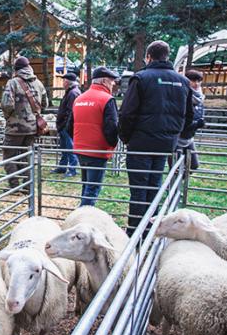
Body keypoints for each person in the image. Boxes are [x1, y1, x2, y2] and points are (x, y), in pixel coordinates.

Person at [120, 40, 194, 235]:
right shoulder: (183, 81)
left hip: (141, 143)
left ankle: (136, 233)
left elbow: (127, 113)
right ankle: (151, 228)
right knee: (154, 186)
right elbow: (189, 115)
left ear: (149, 57)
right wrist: (176, 137)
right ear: (167, 56)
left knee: (138, 190)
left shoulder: (141, 78)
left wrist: (126, 137)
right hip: (166, 144)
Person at [68, 67, 120, 207]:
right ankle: (83, 219)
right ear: (104, 81)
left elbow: (69, 126)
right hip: (98, 151)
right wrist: (112, 145)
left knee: (86, 186)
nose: (113, 84)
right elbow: (111, 128)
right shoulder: (107, 99)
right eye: (111, 81)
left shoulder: (79, 98)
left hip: (80, 150)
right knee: (92, 190)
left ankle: (81, 215)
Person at [1, 56, 47, 191]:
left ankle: (14, 186)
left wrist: (9, 117)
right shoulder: (38, 83)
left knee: (9, 155)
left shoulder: (13, 83)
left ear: (16, 69)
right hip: (33, 127)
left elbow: (7, 104)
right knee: (27, 155)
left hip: (15, 128)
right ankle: (28, 186)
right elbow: (45, 103)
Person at [175, 69, 205, 170]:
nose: (196, 83)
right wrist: (196, 124)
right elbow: (179, 119)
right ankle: (173, 185)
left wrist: (198, 123)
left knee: (193, 165)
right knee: (176, 169)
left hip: (189, 137)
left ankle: (181, 183)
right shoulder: (181, 96)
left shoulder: (199, 98)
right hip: (177, 138)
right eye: (193, 80)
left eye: (198, 81)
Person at [52, 72, 81, 177]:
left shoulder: (73, 93)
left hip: (67, 126)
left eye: (64, 80)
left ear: (68, 82)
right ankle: (62, 167)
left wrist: (65, 125)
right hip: (64, 125)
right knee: (64, 148)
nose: (63, 82)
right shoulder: (70, 92)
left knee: (70, 148)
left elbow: (70, 112)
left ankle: (72, 169)